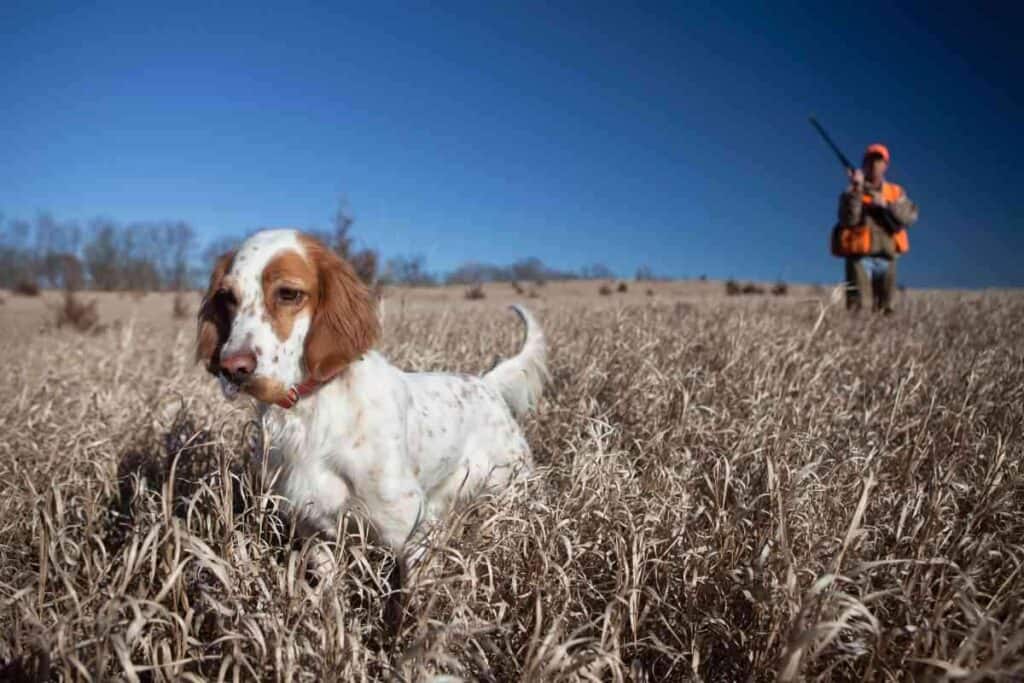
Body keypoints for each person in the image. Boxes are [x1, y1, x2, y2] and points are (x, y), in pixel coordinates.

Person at [833, 144, 919, 313]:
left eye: (879, 161)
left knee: (886, 310)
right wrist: (857, 190)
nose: (874, 165)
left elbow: (909, 217)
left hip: (888, 258)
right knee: (858, 310)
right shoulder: (851, 192)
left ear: (886, 165)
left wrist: (885, 205)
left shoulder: (896, 192)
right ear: (864, 164)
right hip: (860, 259)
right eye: (870, 160)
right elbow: (848, 220)